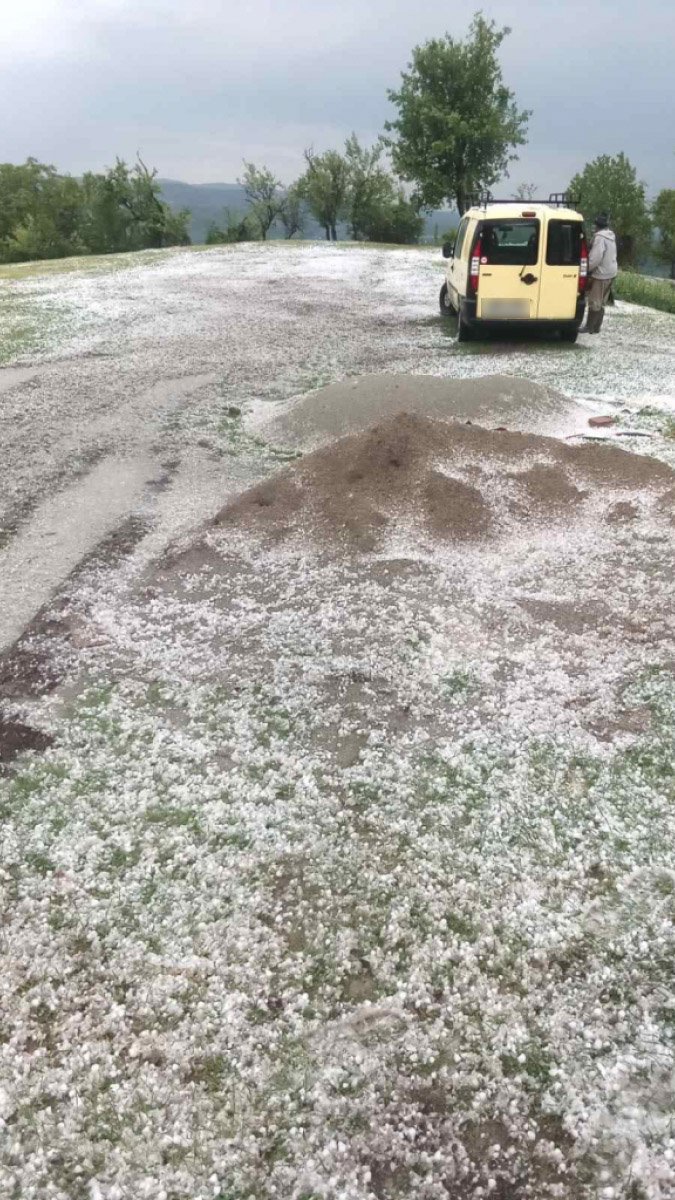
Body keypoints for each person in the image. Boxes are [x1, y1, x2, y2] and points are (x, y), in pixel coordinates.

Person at [584, 213, 618, 333]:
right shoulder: (611, 236)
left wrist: (586, 269)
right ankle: (597, 327)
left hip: (601, 274)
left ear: (597, 226)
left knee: (594, 301)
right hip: (611, 272)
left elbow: (595, 258)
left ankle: (589, 327)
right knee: (602, 301)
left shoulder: (600, 238)